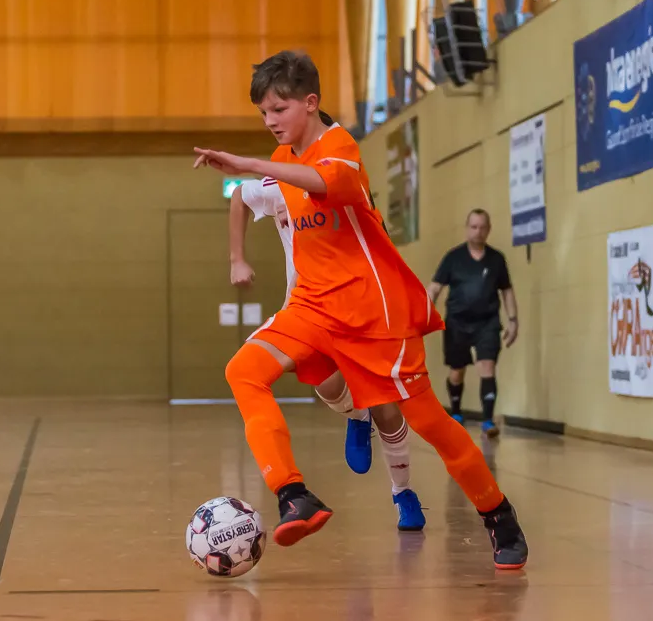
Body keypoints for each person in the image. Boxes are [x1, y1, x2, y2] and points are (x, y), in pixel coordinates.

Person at [192, 50, 527, 570]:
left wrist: (247, 165)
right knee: (244, 372)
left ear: (310, 102)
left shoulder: (340, 147)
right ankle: (293, 495)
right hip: (312, 307)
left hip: (373, 313)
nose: (270, 121)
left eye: (279, 109)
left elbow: (326, 183)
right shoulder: (281, 159)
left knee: (429, 422)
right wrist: (239, 241)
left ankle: (497, 513)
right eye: (263, 113)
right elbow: (253, 192)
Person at [228, 168, 426, 531]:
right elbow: (240, 193)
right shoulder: (282, 183)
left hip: (362, 313)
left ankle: (403, 493)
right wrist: (236, 258)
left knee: (386, 409)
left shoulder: (347, 187)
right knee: (327, 386)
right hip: (307, 312)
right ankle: (356, 416)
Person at [427, 210, 518, 437]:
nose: (478, 232)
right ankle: (456, 412)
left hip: (487, 322)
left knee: (487, 366)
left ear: (489, 229)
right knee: (457, 371)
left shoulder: (497, 260)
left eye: (482, 227)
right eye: (474, 227)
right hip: (457, 322)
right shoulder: (453, 258)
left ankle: (488, 420)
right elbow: (435, 287)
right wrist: (425, 313)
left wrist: (513, 320)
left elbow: (507, 291)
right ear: (467, 228)